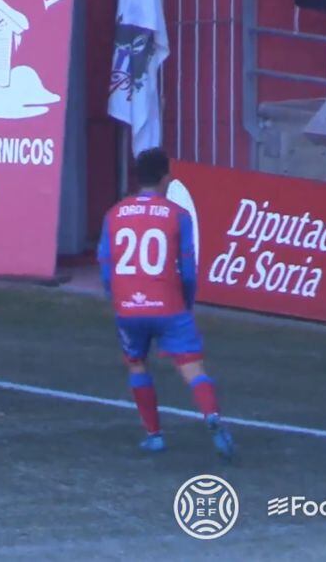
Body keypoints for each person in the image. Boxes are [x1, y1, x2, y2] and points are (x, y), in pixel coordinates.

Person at [97, 148, 234, 458]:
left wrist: (116, 299)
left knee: (136, 363)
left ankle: (154, 435)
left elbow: (106, 265)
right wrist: (185, 302)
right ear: (165, 178)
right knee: (192, 367)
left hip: (128, 305)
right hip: (168, 305)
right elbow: (187, 268)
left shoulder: (114, 214)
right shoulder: (177, 214)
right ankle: (212, 417)